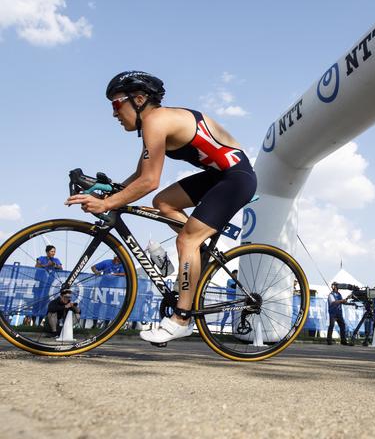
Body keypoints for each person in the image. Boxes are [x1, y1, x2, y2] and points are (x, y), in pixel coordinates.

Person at [65, 71, 257, 344]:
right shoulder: (155, 123)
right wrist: (108, 189)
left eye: (116, 104)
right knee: (164, 203)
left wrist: (106, 203)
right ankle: (199, 253)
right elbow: (139, 175)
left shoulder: (157, 120)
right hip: (218, 176)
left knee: (186, 238)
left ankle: (182, 318)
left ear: (140, 99)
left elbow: (149, 180)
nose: (114, 114)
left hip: (236, 179)